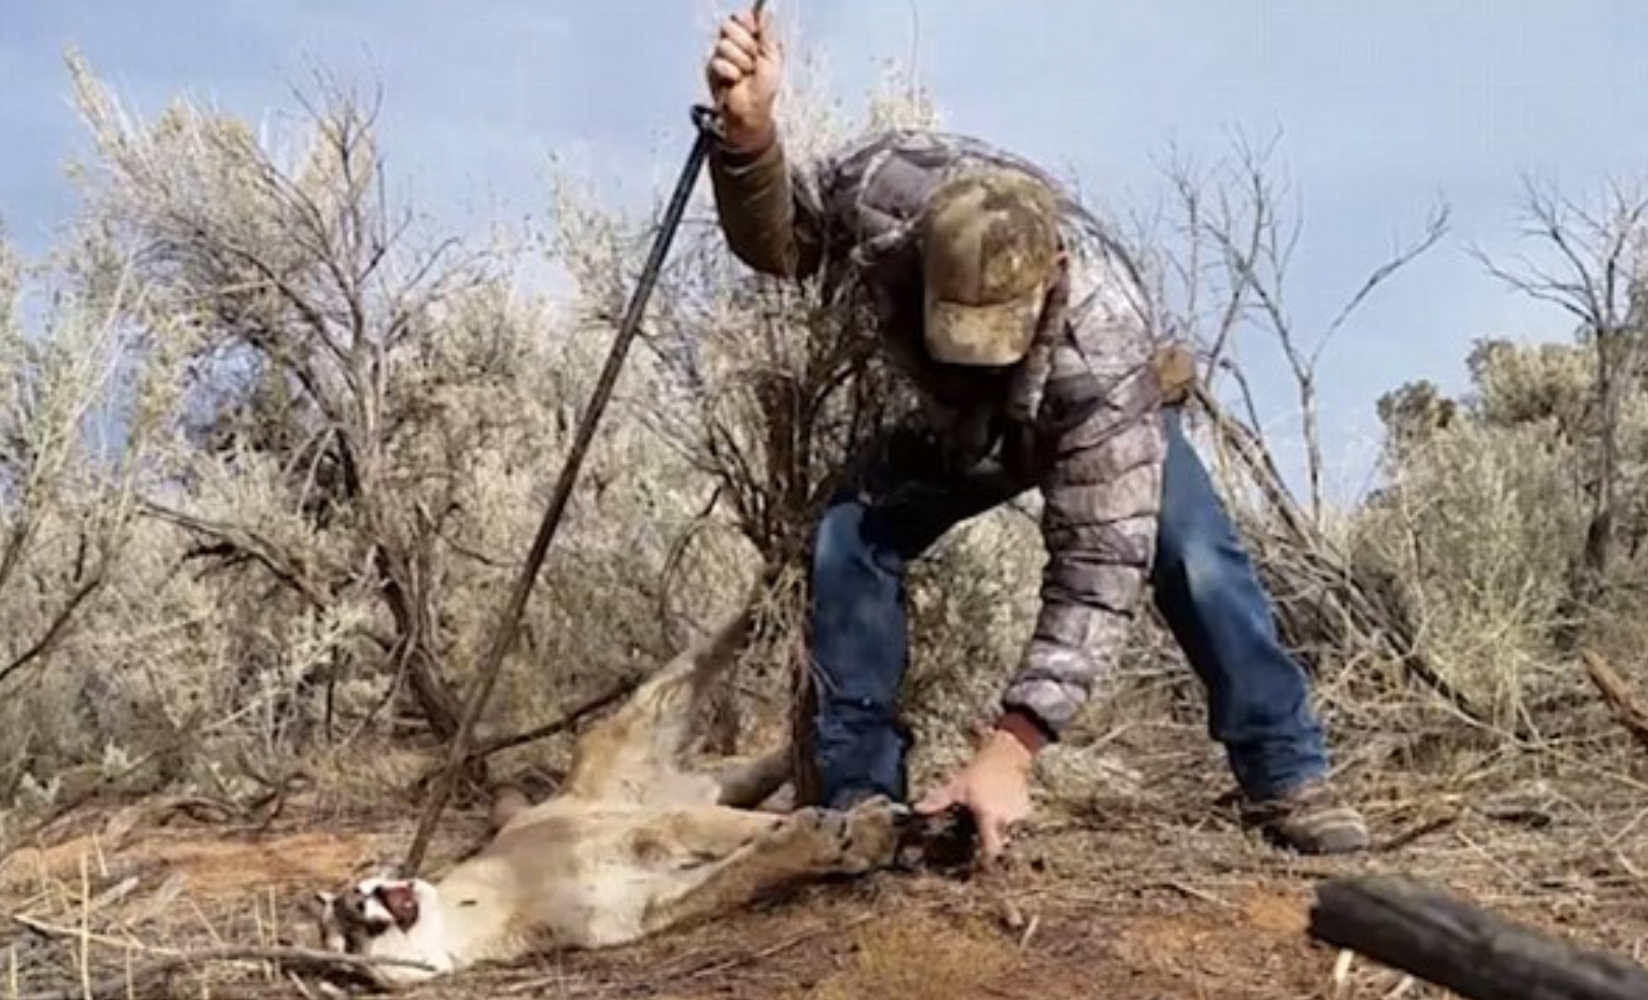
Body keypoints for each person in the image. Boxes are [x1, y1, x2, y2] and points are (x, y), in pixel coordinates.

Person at [700, 7, 1369, 860]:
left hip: (1085, 409)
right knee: (848, 539)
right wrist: (749, 139)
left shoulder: (1104, 339)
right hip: (954, 425)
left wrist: (1009, 752)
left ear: (1051, 276)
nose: (976, 349)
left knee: (1191, 551)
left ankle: (1287, 773)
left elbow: (1094, 577)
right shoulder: (882, 191)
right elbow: (785, 246)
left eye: (995, 333)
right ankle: (860, 805)